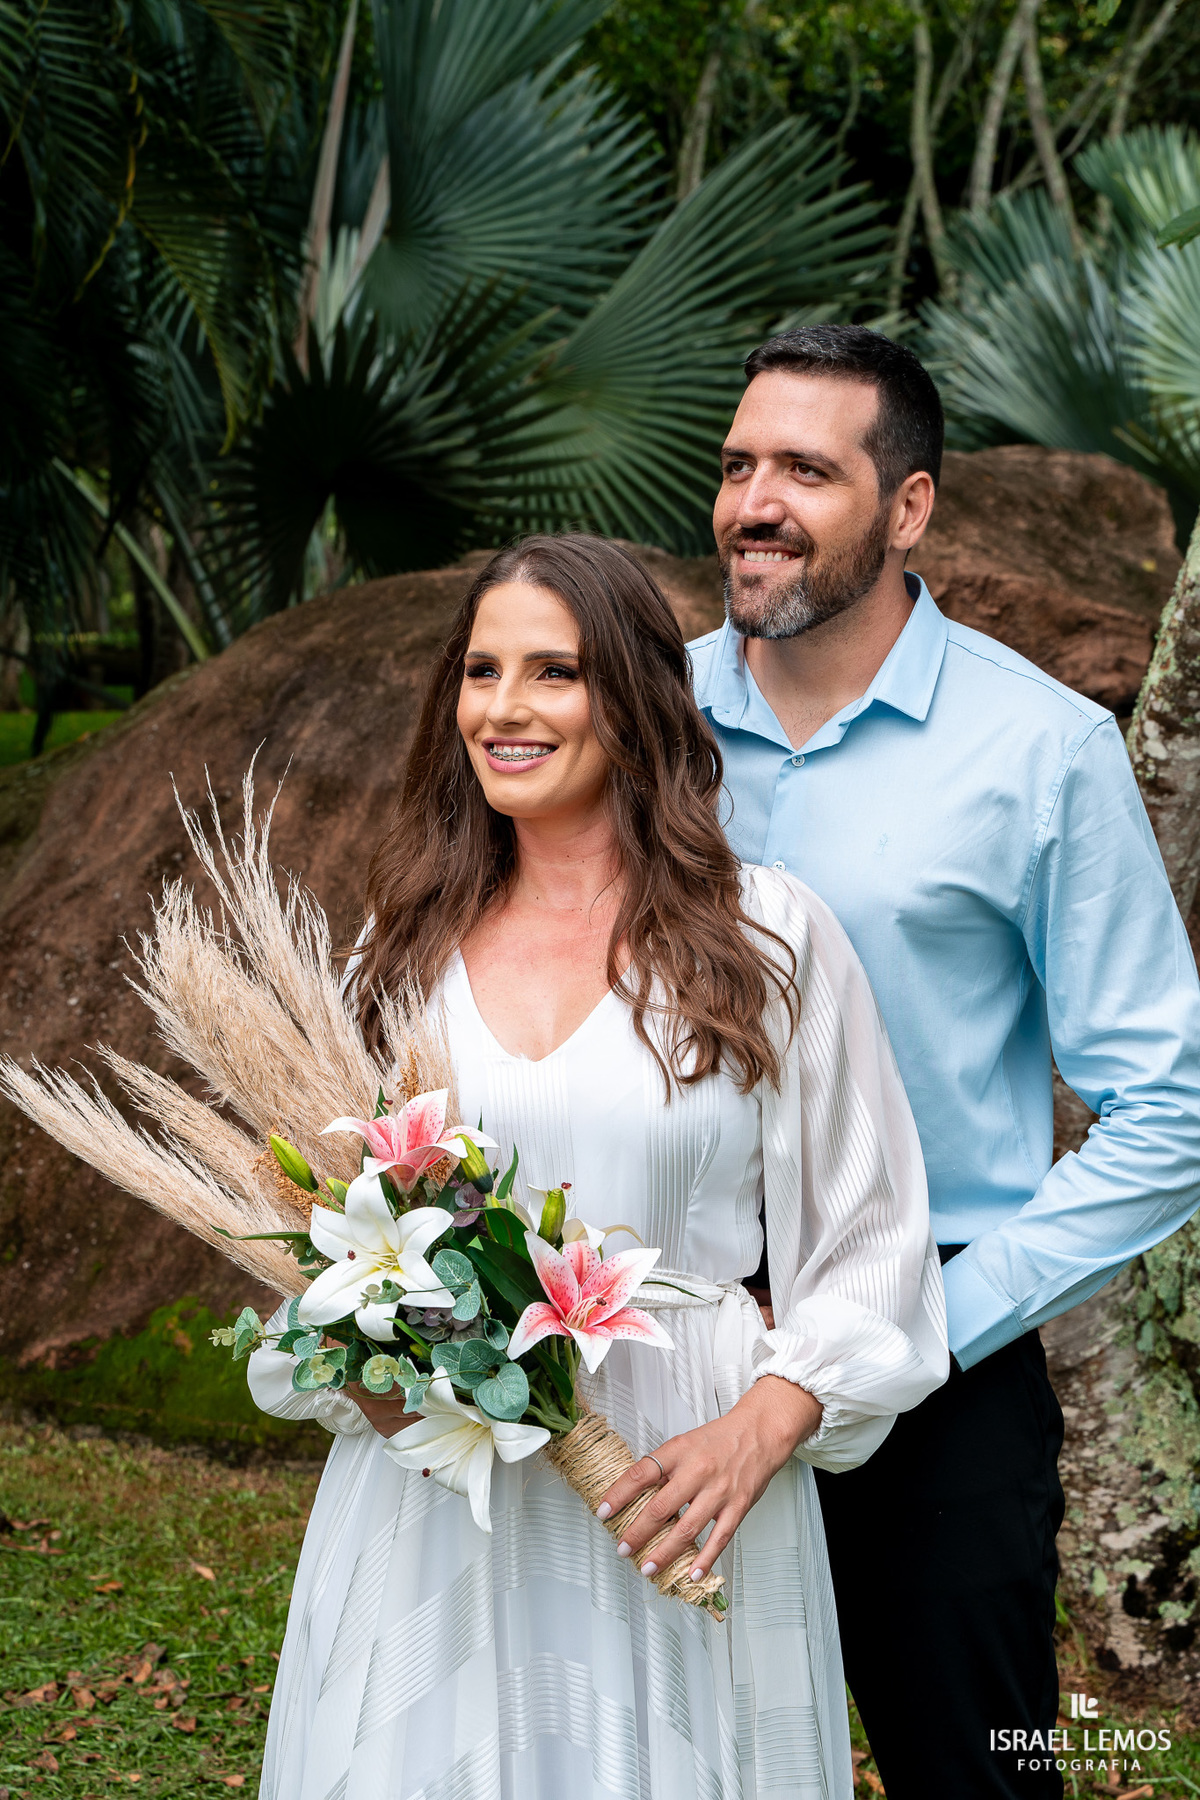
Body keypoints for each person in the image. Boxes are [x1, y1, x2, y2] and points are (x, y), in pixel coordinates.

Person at [245, 533, 947, 1800]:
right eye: (480, 671)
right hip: (442, 1504)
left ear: (633, 696)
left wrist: (763, 1428)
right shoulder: (398, 958)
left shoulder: (765, 936)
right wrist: (382, 1378)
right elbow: (326, 1249)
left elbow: (872, 1240)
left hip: (688, 1478)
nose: (505, 709)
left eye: (554, 673)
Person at [689, 322, 1200, 1800]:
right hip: (670, 1348)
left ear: (909, 507)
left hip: (940, 1363)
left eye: (803, 468)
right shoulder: (640, 720)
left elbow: (1168, 1111)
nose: (751, 502)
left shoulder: (1040, 751)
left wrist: (931, 1324)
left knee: (979, 1769)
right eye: (736, 465)